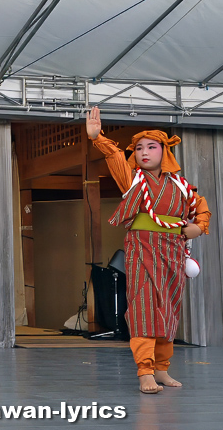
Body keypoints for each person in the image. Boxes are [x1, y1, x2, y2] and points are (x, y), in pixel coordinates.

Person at [86, 107, 210, 394]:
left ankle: (162, 369)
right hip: (142, 249)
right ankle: (145, 372)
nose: (144, 152)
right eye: (139, 148)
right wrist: (97, 138)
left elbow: (201, 210)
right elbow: (115, 158)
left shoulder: (181, 185)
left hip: (174, 252)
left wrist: (196, 228)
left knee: (169, 310)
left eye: (151, 147)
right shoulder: (133, 180)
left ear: (164, 152)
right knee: (144, 309)